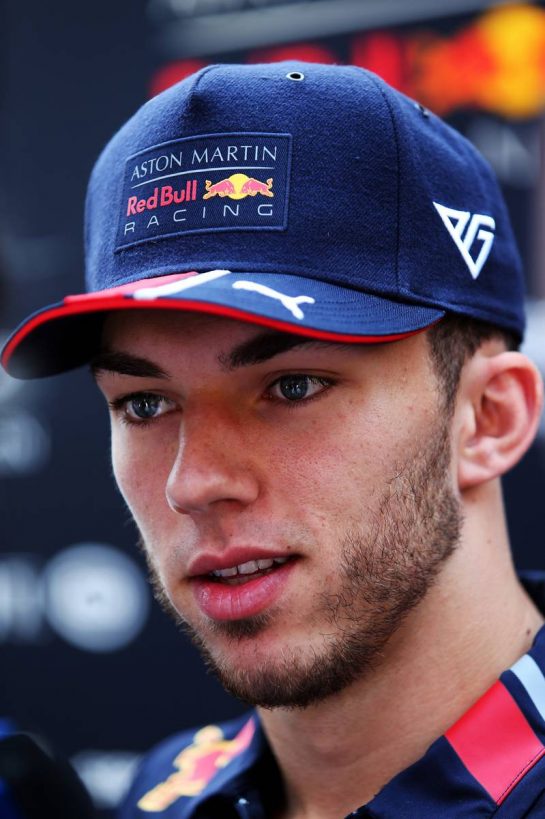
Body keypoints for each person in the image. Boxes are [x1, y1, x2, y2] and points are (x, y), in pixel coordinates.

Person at [2, 62, 545, 818]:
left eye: (292, 386)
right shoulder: (164, 795)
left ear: (489, 416)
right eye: (145, 402)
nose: (193, 484)